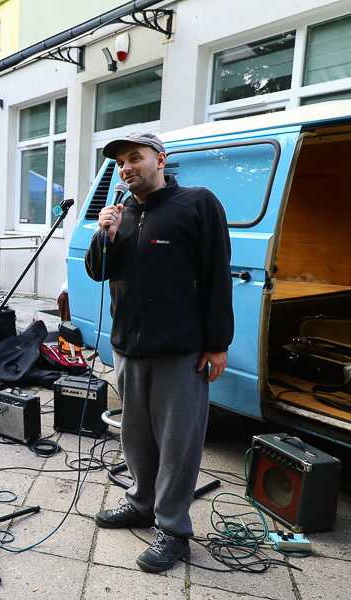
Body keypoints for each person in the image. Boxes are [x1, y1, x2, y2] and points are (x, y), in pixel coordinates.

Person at [85, 132, 234, 573]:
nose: (127, 167)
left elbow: (216, 274)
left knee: (177, 444)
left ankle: (174, 529)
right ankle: (142, 504)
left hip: (180, 349)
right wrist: (103, 233)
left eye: (135, 158)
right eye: (120, 163)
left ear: (160, 160)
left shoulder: (197, 202)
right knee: (135, 438)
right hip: (128, 347)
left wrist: (217, 343)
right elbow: (98, 271)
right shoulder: (121, 213)